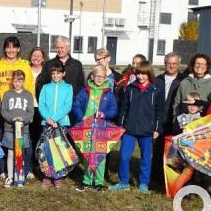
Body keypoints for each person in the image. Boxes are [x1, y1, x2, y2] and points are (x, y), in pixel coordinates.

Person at [111, 61, 163, 193]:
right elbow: (124, 108)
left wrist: (157, 129)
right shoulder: (130, 88)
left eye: (143, 74)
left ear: (149, 74)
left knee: (146, 158)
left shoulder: (156, 90)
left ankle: (143, 184)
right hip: (130, 129)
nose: (140, 76)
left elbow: (159, 112)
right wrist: (121, 125)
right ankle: (123, 182)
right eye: (138, 73)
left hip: (147, 130)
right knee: (124, 156)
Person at [72, 65, 119, 192]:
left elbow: (114, 110)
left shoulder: (109, 93)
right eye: (97, 76)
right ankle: (87, 180)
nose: (99, 79)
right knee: (87, 154)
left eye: (102, 77)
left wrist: (105, 114)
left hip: (101, 128)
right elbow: (76, 105)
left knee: (100, 156)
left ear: (105, 78)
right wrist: (81, 117)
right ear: (92, 76)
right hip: (86, 128)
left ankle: (98, 181)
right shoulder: (85, 91)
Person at [151, 52, 186, 189]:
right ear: (165, 64)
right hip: (159, 121)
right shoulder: (158, 79)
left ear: (178, 64)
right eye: (169, 63)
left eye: (174, 63)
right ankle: (156, 178)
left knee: (174, 153)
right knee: (158, 150)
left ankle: (172, 181)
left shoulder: (183, 80)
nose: (171, 66)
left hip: (174, 121)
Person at [37, 62, 73, 188]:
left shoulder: (68, 88)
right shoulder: (46, 87)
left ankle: (58, 176)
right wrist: (48, 118)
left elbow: (67, 106)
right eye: (53, 73)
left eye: (58, 73)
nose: (55, 75)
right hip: (47, 123)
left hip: (61, 123)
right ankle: (47, 175)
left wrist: (55, 118)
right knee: (47, 150)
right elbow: (41, 104)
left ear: (63, 73)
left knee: (59, 150)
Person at [1, 70, 35, 187]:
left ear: (23, 81)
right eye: (15, 81)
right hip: (10, 129)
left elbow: (31, 112)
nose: (17, 84)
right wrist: (12, 118)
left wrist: (23, 119)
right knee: (10, 152)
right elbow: (4, 111)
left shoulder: (28, 95)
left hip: (23, 130)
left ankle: (19, 176)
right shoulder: (7, 94)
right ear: (12, 81)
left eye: (20, 81)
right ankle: (10, 177)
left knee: (21, 153)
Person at [35, 36, 85, 104]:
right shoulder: (49, 64)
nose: (59, 50)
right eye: (58, 48)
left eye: (62, 47)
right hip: (53, 104)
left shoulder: (77, 65)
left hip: (72, 104)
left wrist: (75, 100)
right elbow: (41, 85)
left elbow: (81, 86)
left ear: (68, 48)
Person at [172, 53, 211, 119]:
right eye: (197, 63)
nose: (200, 66)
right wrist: (176, 121)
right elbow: (177, 104)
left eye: (203, 64)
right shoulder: (184, 83)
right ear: (193, 65)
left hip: (205, 125)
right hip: (184, 125)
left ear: (207, 66)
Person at [28, 47, 48, 161]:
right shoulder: (26, 69)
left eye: (39, 56)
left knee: (41, 135)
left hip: (42, 108)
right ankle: (30, 160)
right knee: (29, 135)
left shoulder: (46, 72)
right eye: (34, 55)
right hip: (29, 107)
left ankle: (39, 160)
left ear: (43, 58)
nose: (36, 58)